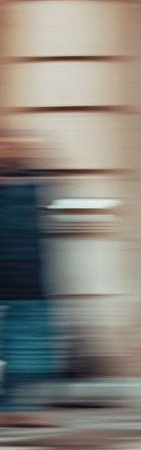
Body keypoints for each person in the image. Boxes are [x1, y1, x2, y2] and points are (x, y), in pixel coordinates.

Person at [0, 134, 61, 427]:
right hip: (23, 284)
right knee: (23, 347)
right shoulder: (32, 188)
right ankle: (15, 405)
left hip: (28, 285)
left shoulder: (36, 186)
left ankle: (18, 405)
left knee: (28, 351)